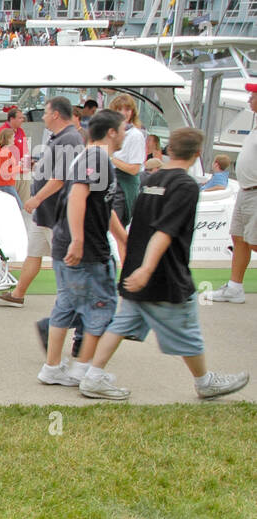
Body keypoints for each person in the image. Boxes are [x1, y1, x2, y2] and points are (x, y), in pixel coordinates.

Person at [79, 128, 249, 401]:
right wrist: (147, 270)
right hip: (164, 274)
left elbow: (139, 224)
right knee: (187, 325)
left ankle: (93, 377)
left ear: (169, 150)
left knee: (122, 324)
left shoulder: (151, 180)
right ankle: (204, 382)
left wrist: (135, 265)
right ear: (196, 155)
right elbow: (164, 231)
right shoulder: (186, 186)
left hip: (137, 269)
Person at [37, 109, 129, 388]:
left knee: (66, 305)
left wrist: (123, 239)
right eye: (123, 129)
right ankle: (84, 370)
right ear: (111, 132)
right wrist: (78, 240)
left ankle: (52, 367)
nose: (126, 134)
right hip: (86, 250)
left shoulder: (91, 157)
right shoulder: (97, 158)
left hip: (71, 246)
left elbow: (103, 205)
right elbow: (79, 195)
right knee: (101, 307)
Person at [0, 96, 80, 307]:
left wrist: (36, 198)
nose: (44, 117)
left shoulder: (70, 139)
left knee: (62, 259)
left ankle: (72, 301)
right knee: (34, 252)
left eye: (46, 113)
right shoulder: (59, 138)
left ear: (56, 114)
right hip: (44, 212)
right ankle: (18, 294)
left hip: (55, 211)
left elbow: (60, 178)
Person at [205, 82, 257, 304]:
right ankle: (235, 288)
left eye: (253, 95)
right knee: (239, 238)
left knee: (254, 242)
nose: (248, 99)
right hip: (246, 190)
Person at [109, 93, 146, 223]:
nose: (123, 113)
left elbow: (134, 169)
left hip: (123, 187)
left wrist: (110, 158)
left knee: (115, 227)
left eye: (127, 109)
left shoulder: (135, 135)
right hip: (109, 183)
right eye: (119, 109)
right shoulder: (111, 133)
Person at [0, 106, 28, 209]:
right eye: (20, 118)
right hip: (6, 181)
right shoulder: (4, 149)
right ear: (12, 119)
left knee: (20, 203)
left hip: (16, 175)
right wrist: (19, 167)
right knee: (16, 206)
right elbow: (4, 171)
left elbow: (25, 148)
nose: (22, 120)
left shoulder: (20, 131)